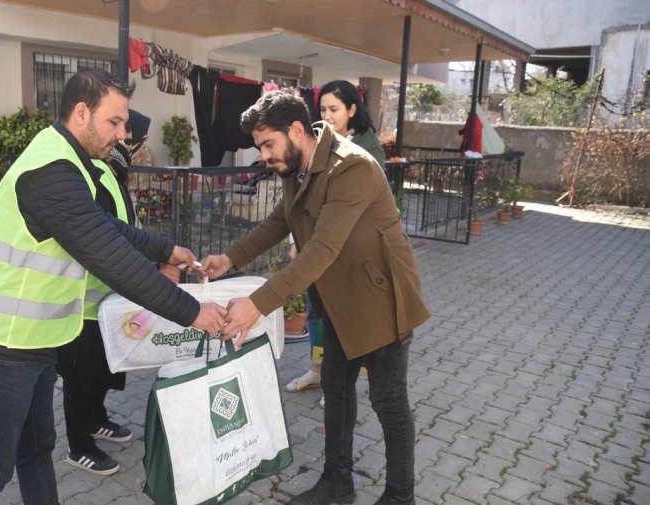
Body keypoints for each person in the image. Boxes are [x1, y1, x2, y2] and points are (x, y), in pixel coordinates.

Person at [0, 69, 227, 505]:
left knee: (37, 451)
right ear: (81, 112)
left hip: (33, 345)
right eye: (114, 123)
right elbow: (109, 255)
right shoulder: (49, 172)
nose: (122, 134)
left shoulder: (70, 163)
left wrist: (165, 248)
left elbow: (107, 228)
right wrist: (192, 312)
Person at [201, 88, 429, 505]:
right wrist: (228, 259)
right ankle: (337, 484)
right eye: (260, 147)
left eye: (269, 144)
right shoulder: (297, 167)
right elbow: (278, 222)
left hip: (381, 301)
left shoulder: (352, 166)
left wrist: (257, 304)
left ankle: (401, 495)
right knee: (337, 392)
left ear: (296, 129)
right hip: (338, 301)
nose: (265, 156)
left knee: (389, 402)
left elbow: (322, 248)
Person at [56, 109, 181, 476]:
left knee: (100, 374)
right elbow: (103, 243)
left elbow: (126, 234)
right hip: (83, 303)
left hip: (107, 301)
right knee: (81, 378)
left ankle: (96, 421)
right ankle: (79, 446)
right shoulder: (93, 179)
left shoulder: (112, 176)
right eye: (137, 143)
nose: (141, 152)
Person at [283, 80, 388, 407]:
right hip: (317, 245)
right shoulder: (320, 144)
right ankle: (318, 369)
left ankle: (339, 382)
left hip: (348, 249)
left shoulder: (365, 149)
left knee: (344, 317)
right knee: (316, 313)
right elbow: (304, 198)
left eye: (334, 109)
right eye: (323, 109)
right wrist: (297, 238)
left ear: (352, 110)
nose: (326, 115)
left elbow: (348, 208)